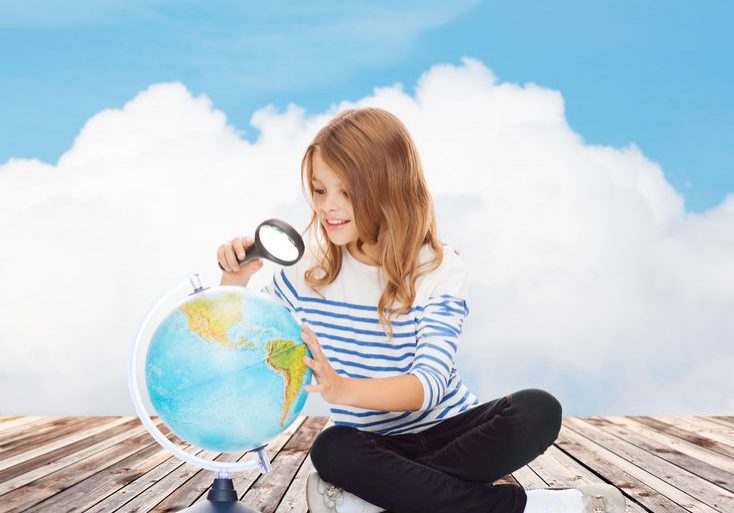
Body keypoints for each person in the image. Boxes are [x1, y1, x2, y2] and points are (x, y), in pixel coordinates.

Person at [217, 108, 625, 513]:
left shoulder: (440, 268)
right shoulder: (309, 274)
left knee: (538, 410)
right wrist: (235, 282)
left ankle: (372, 501)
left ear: (387, 188)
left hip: (452, 433)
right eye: (320, 191)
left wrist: (341, 389)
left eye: (347, 192)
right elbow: (237, 343)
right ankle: (532, 508)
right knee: (332, 447)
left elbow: (427, 386)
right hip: (372, 446)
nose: (329, 208)